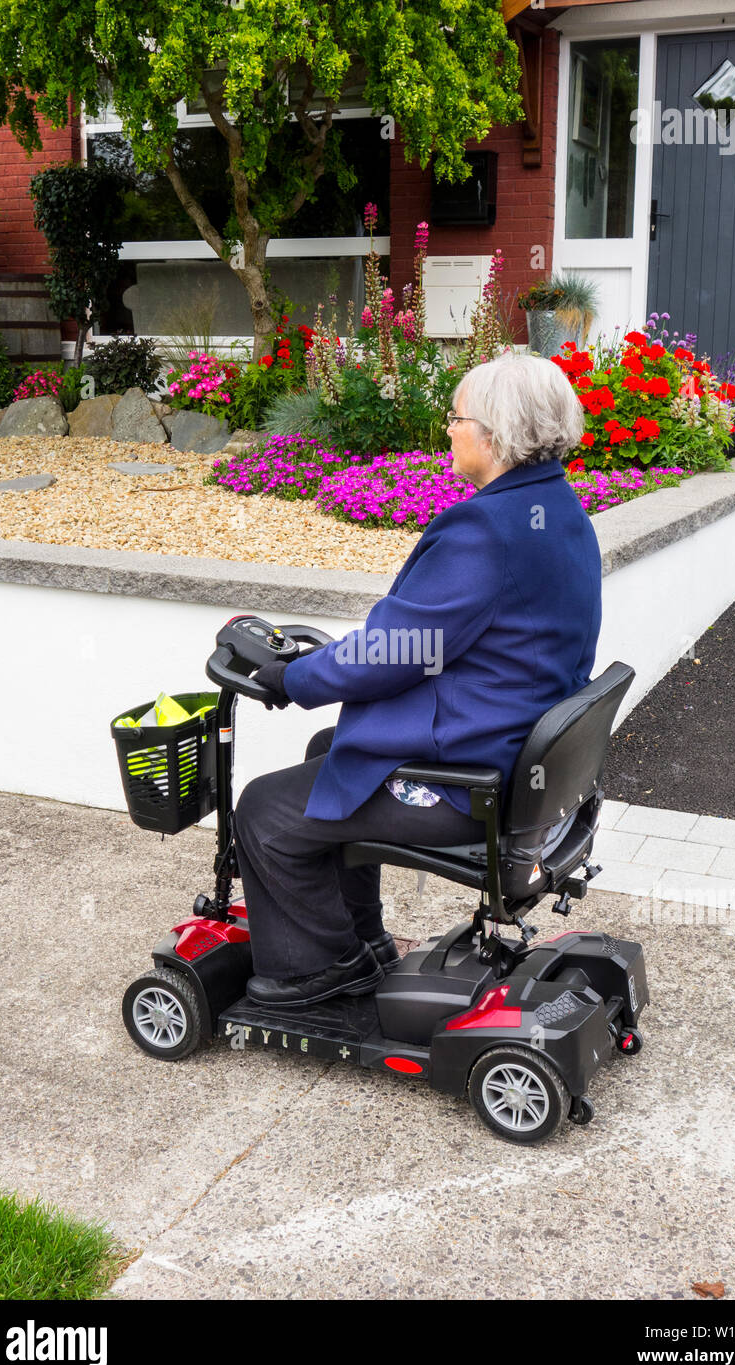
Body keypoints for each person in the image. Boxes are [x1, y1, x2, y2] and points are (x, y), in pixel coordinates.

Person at [232, 351, 602, 1006]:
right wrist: (325, 666)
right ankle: (365, 941)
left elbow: (396, 650)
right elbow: (435, 641)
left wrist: (293, 680)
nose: (448, 430)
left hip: (469, 782)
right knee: (332, 755)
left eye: (456, 418)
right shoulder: (558, 510)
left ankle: (321, 965)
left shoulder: (484, 529)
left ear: (493, 433)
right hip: (515, 756)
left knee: (266, 809)